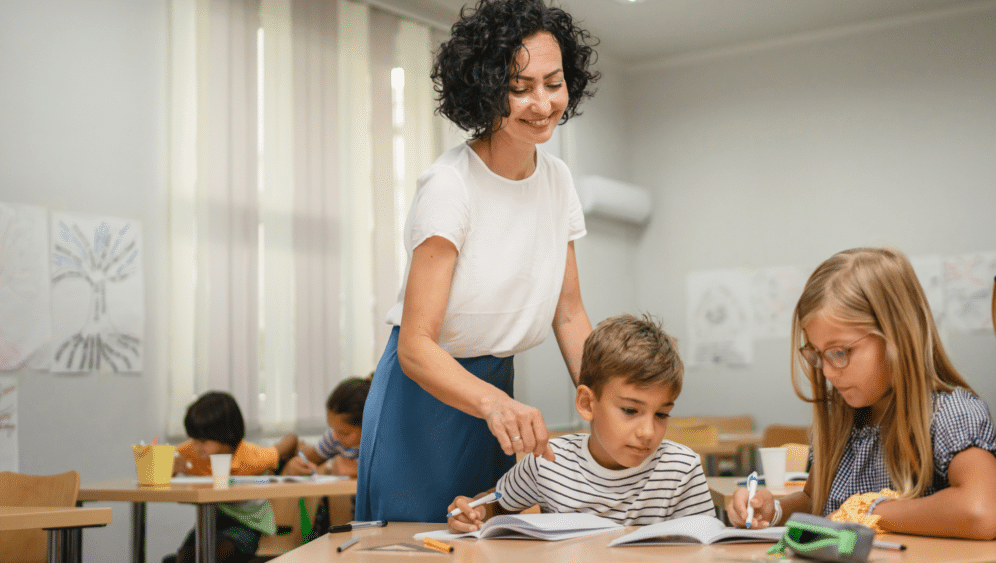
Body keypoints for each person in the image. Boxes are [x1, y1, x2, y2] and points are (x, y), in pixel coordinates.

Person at [356, 0, 600, 523]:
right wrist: (491, 403)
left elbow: (569, 313)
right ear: (486, 90)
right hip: (425, 398)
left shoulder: (557, 180)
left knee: (485, 540)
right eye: (520, 87)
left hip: (496, 393)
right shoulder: (451, 186)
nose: (542, 102)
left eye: (553, 83)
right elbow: (417, 347)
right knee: (414, 547)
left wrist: (607, 404)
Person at [728, 247, 996, 540]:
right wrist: (773, 510)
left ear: (896, 336)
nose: (828, 372)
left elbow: (981, 511)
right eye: (817, 355)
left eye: (840, 352)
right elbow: (817, 502)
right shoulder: (840, 419)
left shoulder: (951, 414)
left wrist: (870, 510)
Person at [447, 314, 715, 531]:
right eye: (631, 410)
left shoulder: (681, 469)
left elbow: (705, 545)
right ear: (587, 404)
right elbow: (497, 505)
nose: (648, 432)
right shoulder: (549, 462)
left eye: (661, 414)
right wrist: (474, 510)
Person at [167, 391, 298, 563]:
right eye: (193, 439)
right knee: (184, 559)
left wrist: (294, 453)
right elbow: (162, 463)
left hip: (246, 522)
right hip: (210, 520)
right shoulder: (190, 451)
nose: (197, 446)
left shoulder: (252, 457)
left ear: (227, 434)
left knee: (216, 554)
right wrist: (171, 470)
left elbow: (289, 441)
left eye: (203, 441)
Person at [281, 374, 372, 478]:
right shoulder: (333, 436)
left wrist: (356, 469)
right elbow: (311, 458)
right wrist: (296, 464)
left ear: (368, 427)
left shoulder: (378, 445)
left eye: (344, 433)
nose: (336, 437)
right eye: (332, 428)